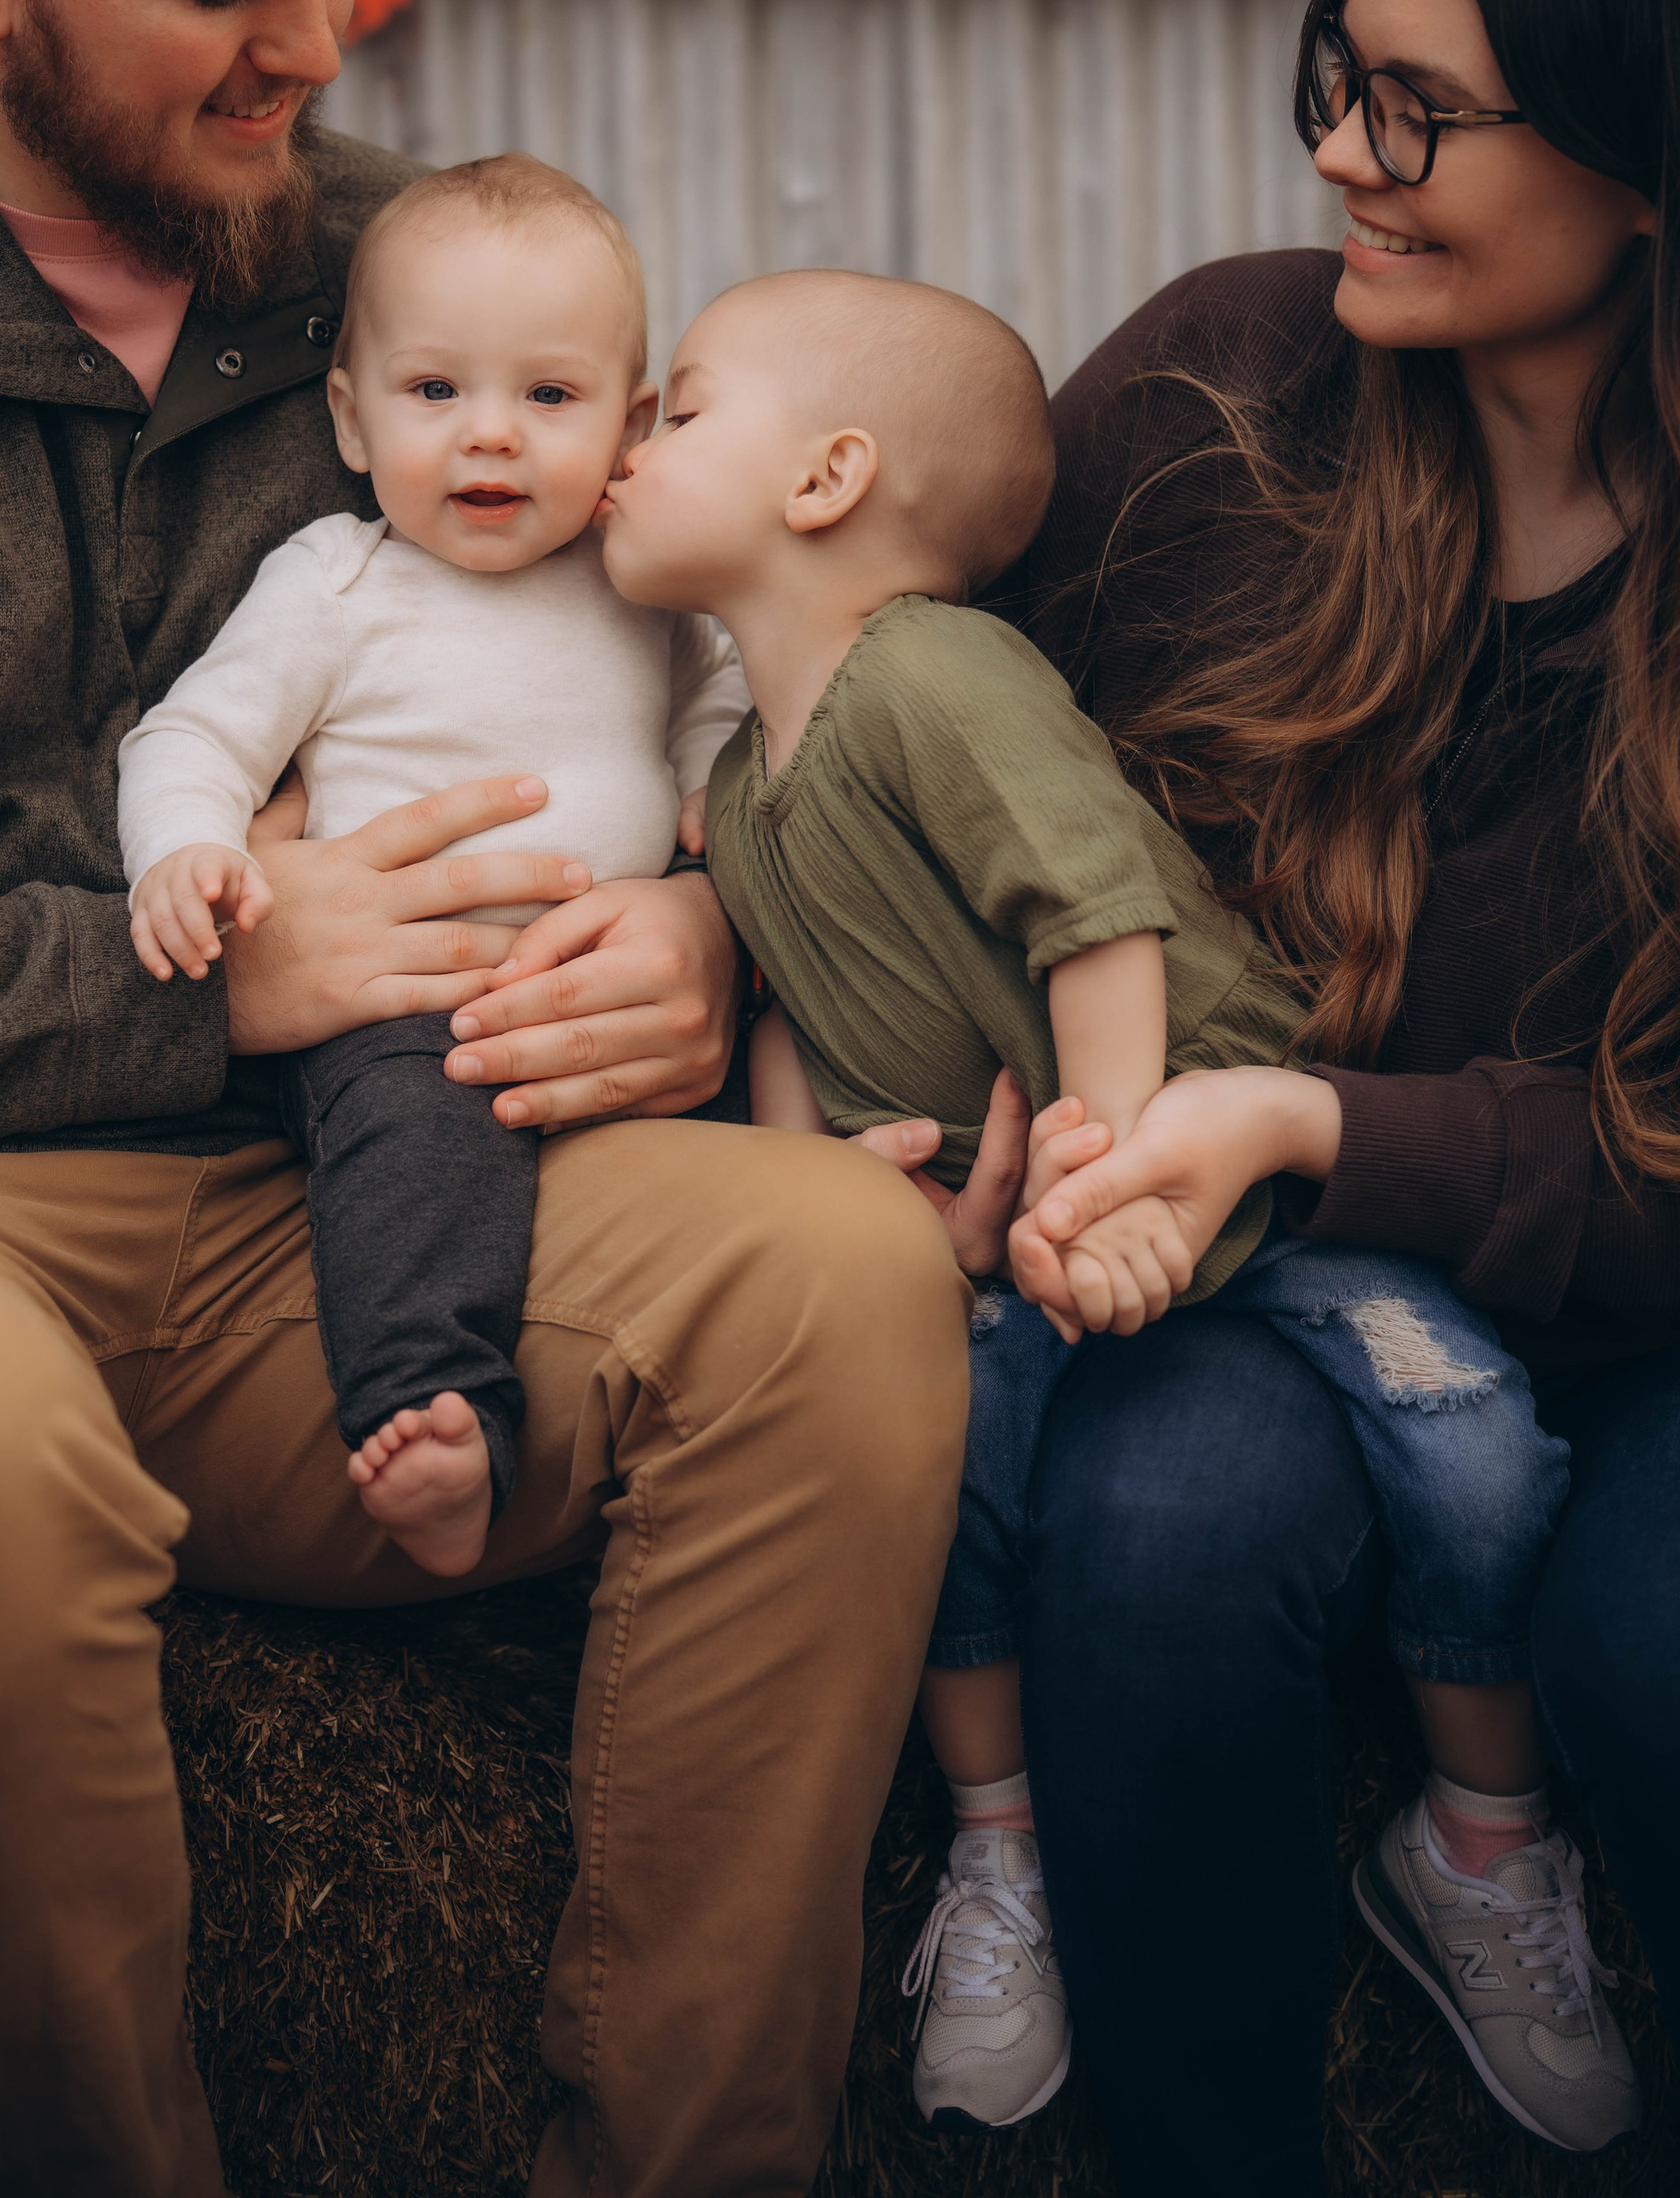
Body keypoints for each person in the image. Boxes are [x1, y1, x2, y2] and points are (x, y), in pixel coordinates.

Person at [0, 0, 972, 2198]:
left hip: (352, 1226)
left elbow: (724, 662)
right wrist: (195, 997)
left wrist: (702, 932)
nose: (307, 45)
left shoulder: (425, 282)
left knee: (828, 1283)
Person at [599, 267, 1619, 2147]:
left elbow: (1098, 920)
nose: (623, 444)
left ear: (825, 477)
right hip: (1011, 1241)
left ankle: (1477, 1835)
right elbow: (788, 1019)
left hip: (1229, 1187)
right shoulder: (741, 783)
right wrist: (815, 1206)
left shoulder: (935, 676)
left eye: (672, 407)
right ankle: (1000, 1856)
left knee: (1468, 1445)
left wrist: (1125, 1167)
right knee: (936, 1490)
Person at [974, 0, 1680, 2195]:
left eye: (1425, 113)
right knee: (1160, 1547)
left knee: (1652, 1649)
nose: (1345, 159)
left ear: (1645, 145)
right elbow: (915, 735)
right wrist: (744, 951)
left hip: (1641, 1305)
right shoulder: (1217, 398)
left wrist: (1309, 1123)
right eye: (1335, 81)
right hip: (1259, 1285)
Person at [120, 155, 747, 1577]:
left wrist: (717, 806)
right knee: (418, 1161)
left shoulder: (639, 585)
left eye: (548, 396)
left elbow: (721, 705)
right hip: (405, 1006)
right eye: (433, 393)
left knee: (757, 1114)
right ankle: (433, 1406)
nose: (491, 440)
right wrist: (187, 852)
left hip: (611, 1010)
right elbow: (194, 735)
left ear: (630, 425)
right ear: (350, 416)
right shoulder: (334, 584)